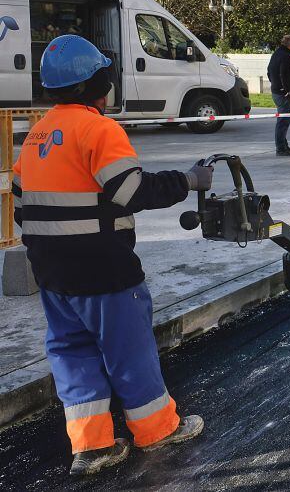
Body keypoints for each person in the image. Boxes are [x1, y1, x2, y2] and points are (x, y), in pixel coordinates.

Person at [12, 36, 211, 476]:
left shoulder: (38, 133)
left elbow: (21, 203)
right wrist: (189, 180)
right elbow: (131, 191)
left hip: (51, 272)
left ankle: (92, 446)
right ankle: (157, 429)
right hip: (104, 269)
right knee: (129, 349)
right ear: (96, 83)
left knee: (72, 352)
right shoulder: (99, 129)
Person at [267, 35, 290, 156]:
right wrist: (287, 90)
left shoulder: (276, 54)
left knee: (282, 120)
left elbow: (269, 72)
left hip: (276, 91)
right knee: (283, 121)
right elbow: (284, 75)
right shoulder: (286, 57)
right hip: (283, 94)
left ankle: (283, 145)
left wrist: (275, 85)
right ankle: (281, 148)